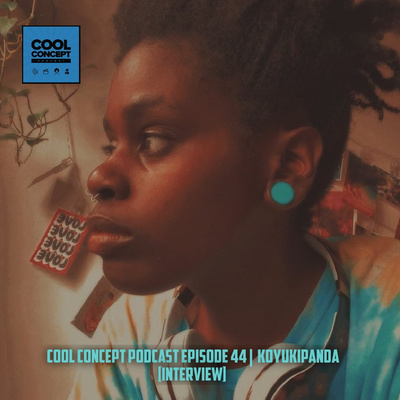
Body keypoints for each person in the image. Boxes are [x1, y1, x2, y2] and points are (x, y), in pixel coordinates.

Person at [69, 0, 400, 398]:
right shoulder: (123, 338)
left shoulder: (390, 319)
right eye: (111, 146)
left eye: (152, 140)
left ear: (287, 167)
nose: (98, 177)